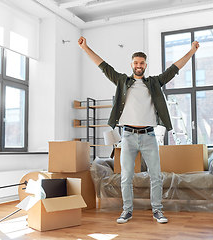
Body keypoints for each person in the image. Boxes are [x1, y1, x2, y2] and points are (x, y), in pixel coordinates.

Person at [78, 36, 199, 224]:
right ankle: (127, 211)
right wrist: (86, 48)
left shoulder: (154, 82)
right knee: (126, 177)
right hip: (128, 136)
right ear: (132, 64)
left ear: (145, 65)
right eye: (136, 62)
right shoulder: (122, 81)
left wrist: (191, 52)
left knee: (156, 176)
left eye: (142, 63)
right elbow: (103, 66)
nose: (139, 65)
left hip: (149, 136)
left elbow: (174, 68)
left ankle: (157, 211)